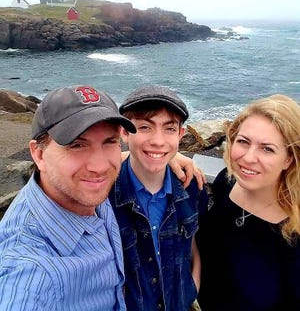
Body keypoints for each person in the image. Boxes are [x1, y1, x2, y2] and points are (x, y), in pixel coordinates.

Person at [0, 85, 137, 311]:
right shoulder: (32, 275)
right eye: (77, 145)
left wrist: (161, 159)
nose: (100, 166)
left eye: (109, 142)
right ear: (39, 154)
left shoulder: (71, 186)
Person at [196, 94, 300, 311]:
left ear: (289, 158)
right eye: (243, 142)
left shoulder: (294, 231)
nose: (248, 158)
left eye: (267, 148)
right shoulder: (227, 181)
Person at [109, 85, 208, 311]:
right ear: (123, 132)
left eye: (169, 129)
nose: (158, 140)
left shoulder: (191, 185)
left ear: (181, 135)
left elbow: (192, 243)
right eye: (144, 127)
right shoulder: (104, 193)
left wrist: (193, 286)